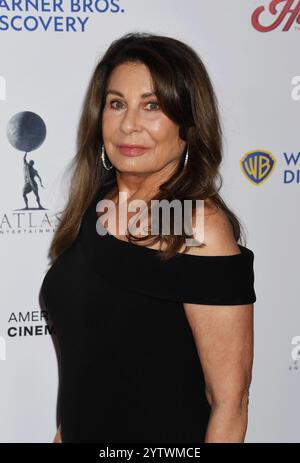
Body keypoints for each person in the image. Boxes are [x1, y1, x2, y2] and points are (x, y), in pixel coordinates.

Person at [41, 32, 256, 443]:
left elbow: (230, 402)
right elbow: (88, 376)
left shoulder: (196, 226)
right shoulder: (97, 208)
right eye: (117, 104)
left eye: (152, 106)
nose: (129, 125)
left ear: (188, 123)